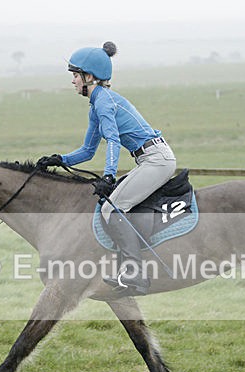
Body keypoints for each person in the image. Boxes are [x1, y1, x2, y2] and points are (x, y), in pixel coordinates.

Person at [37, 41, 177, 297]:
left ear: (89, 77)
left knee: (112, 207)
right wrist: (60, 160)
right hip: (149, 159)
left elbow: (113, 140)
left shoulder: (104, 102)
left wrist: (109, 176)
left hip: (157, 160)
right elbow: (88, 150)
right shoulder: (96, 105)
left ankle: (135, 272)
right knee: (112, 204)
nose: (73, 81)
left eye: (75, 76)